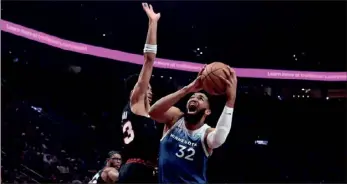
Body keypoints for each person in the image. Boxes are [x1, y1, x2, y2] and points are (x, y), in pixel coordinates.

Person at [149, 66, 238, 183]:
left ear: (207, 111)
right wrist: (187, 89)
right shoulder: (175, 118)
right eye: (192, 97)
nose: (194, 99)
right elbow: (153, 112)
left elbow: (219, 139)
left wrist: (230, 100)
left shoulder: (206, 133)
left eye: (200, 98)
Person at [118, 3, 160, 183]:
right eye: (146, 88)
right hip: (137, 170)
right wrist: (153, 22)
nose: (149, 90)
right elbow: (149, 60)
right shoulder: (136, 100)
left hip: (134, 169)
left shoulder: (136, 111)